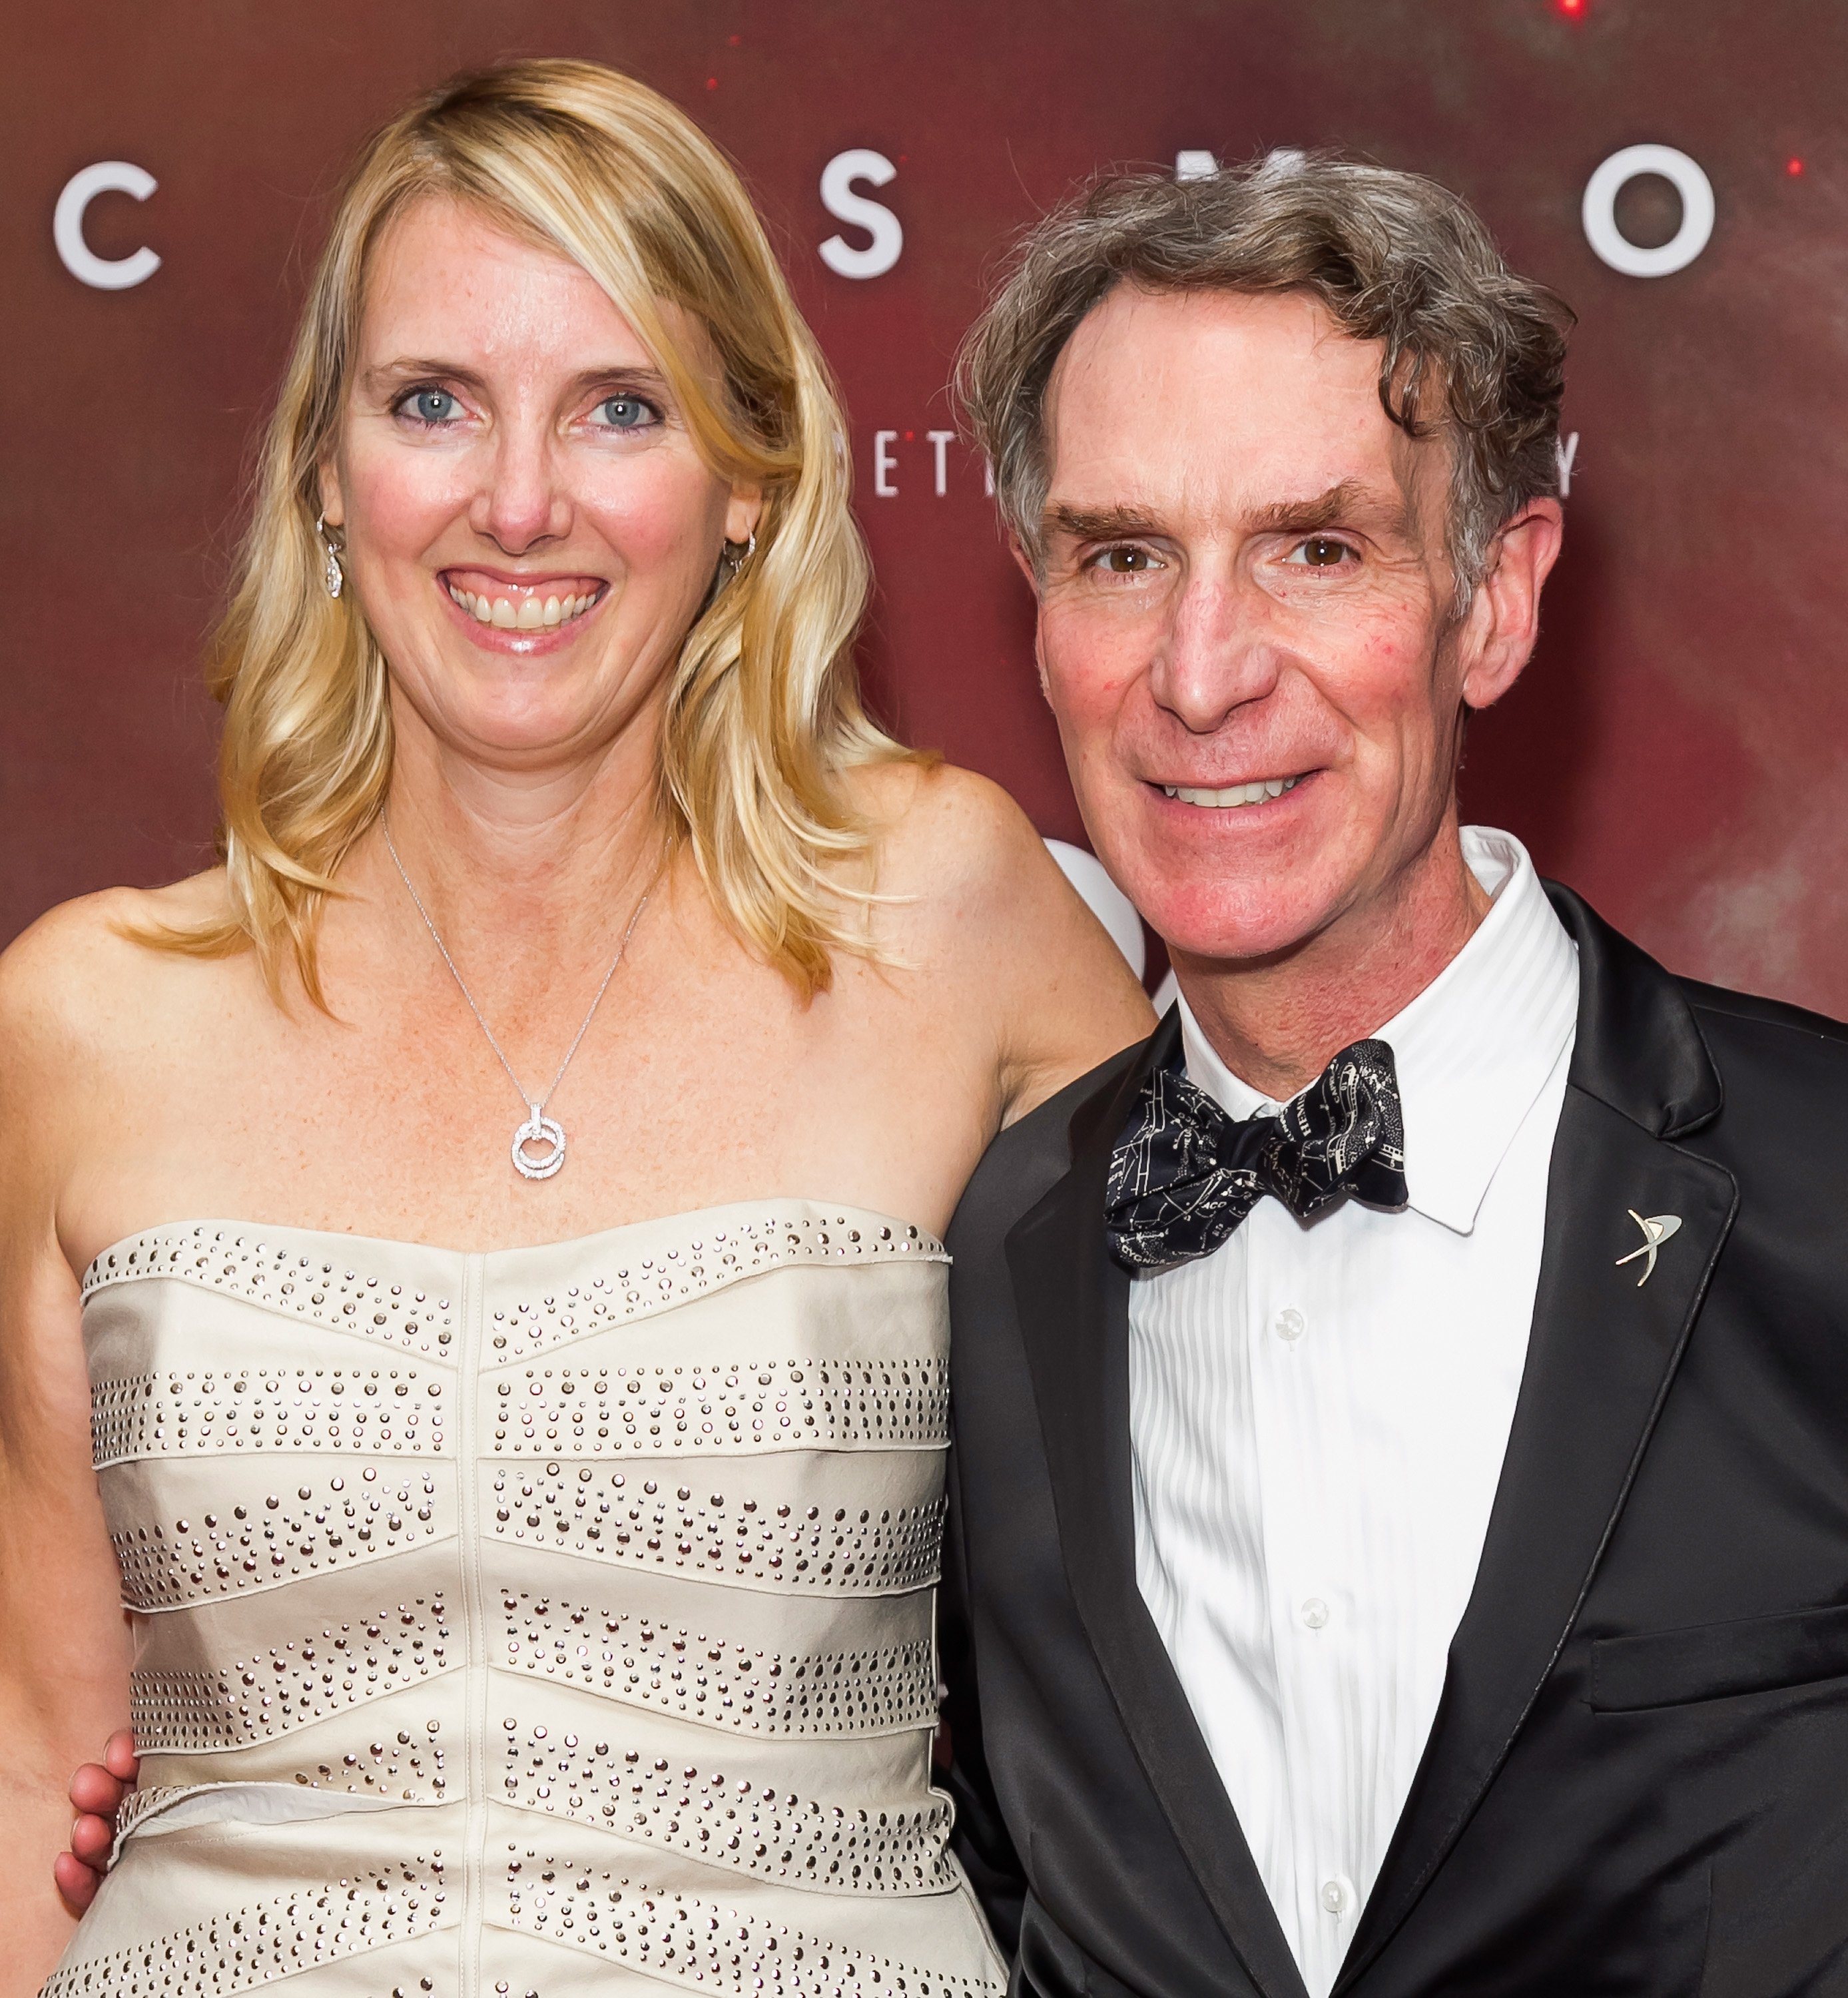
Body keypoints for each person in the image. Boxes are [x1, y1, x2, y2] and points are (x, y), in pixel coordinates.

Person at [0, 60, 1152, 1998]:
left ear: (749, 482)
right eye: (432, 403)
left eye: (621, 409)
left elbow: (1273, 1457)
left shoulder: (948, 919)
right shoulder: (82, 1018)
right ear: (324, 468)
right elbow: (39, 1757)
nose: (516, 503)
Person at [939, 156, 1848, 1998]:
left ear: (1495, 602)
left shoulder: (1829, 1194)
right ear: (1040, 611)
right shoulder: (981, 1258)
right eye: (1125, 555)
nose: (1202, 675)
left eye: (1317, 546)